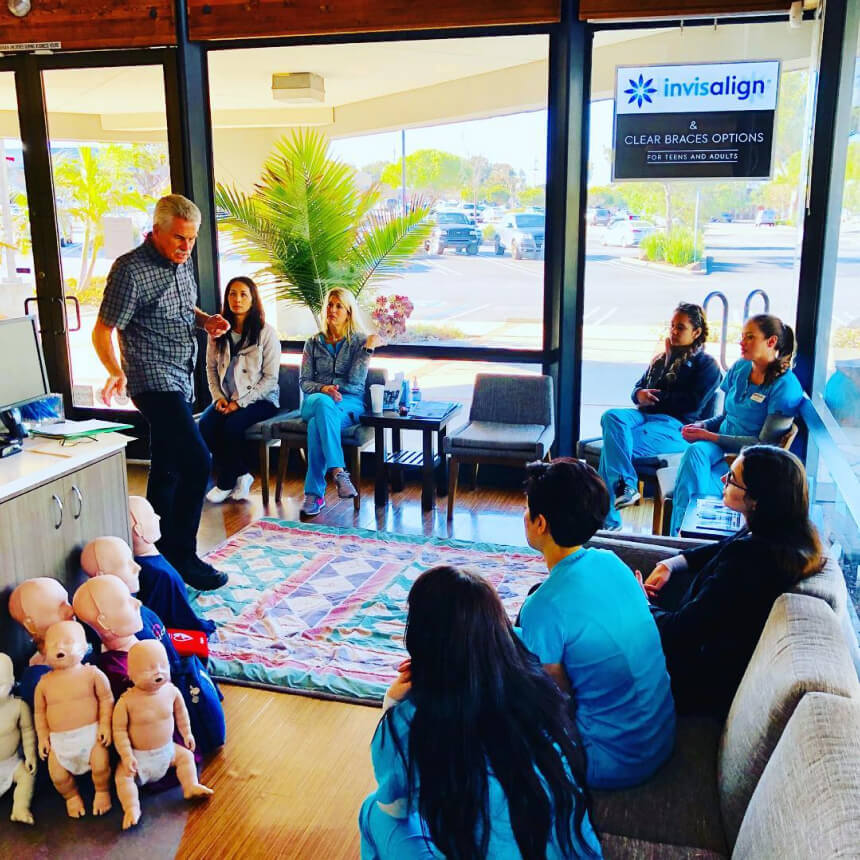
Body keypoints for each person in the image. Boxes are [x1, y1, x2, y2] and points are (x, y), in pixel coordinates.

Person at [359, 565, 601, 860]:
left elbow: (395, 807)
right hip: (579, 853)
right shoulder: (538, 683)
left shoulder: (410, 722)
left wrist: (392, 702)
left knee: (372, 812)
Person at [93, 194, 230, 591]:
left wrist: (205, 321)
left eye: (192, 238)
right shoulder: (130, 271)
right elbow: (102, 330)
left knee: (167, 466)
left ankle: (151, 553)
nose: (186, 246)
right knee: (198, 461)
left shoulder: (182, 263)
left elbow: (182, 309)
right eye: (179, 238)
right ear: (156, 231)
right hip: (151, 379)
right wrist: (115, 371)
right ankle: (182, 554)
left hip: (180, 374)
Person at [518, 458, 675, 789]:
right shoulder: (611, 562)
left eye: (527, 508)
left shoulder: (543, 607)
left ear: (541, 523)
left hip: (614, 759)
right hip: (660, 735)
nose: (524, 515)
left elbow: (555, 699)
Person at [642, 445, 823, 718]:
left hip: (691, 680)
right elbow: (722, 548)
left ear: (756, 499)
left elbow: (680, 632)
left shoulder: (748, 562)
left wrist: (640, 603)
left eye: (733, 478)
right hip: (705, 650)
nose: (723, 479)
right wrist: (672, 563)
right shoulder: (780, 537)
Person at [669, 314, 803, 535]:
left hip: (747, 461)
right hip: (719, 449)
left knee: (694, 477)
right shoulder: (740, 368)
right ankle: (682, 531)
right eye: (742, 336)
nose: (742, 342)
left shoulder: (785, 386)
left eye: (750, 337)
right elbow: (725, 417)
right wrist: (703, 426)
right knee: (695, 453)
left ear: (771, 342)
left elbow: (764, 445)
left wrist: (710, 436)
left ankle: (695, 531)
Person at [598, 302, 721, 529]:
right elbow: (637, 387)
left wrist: (658, 397)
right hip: (642, 416)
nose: (673, 331)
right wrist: (639, 394)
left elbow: (693, 402)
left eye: (680, 327)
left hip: (674, 425)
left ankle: (609, 521)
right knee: (611, 417)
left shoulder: (706, 365)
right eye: (672, 326)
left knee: (613, 447)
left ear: (696, 332)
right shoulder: (660, 359)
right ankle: (624, 491)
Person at [298, 287, 382, 516]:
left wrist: (368, 349)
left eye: (338, 306)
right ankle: (338, 471)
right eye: (329, 305)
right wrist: (323, 389)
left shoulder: (359, 341)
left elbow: (356, 383)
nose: (332, 310)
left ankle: (314, 495)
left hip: (349, 402)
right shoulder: (312, 343)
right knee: (322, 403)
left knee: (316, 425)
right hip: (315, 400)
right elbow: (304, 382)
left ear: (348, 312)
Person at [199, 276, 280, 503]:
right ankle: (243, 474)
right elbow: (211, 368)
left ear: (253, 299)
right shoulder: (217, 331)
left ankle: (225, 482)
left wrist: (240, 403)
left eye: (243, 294)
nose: (237, 299)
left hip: (261, 399)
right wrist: (218, 398)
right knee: (205, 425)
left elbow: (270, 378)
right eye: (232, 294)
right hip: (227, 397)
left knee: (231, 425)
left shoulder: (266, 332)